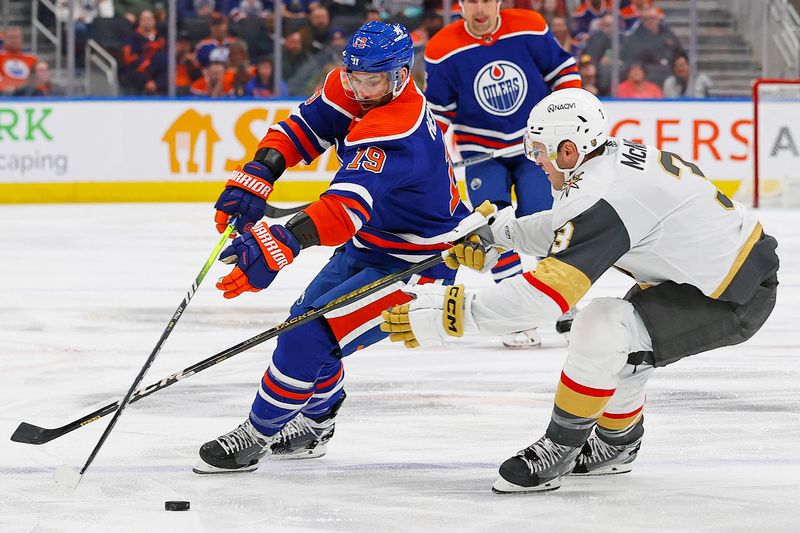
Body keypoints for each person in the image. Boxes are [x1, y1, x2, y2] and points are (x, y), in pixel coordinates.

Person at [380, 88, 779, 493]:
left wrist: (450, 314)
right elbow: (567, 227)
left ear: (569, 150)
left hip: (732, 294)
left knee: (602, 327)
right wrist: (500, 234)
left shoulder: (603, 196)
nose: (535, 161)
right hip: (717, 275)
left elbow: (544, 298)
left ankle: (561, 447)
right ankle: (617, 444)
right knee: (621, 342)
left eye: (540, 150)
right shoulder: (605, 161)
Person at [193, 21, 469, 474]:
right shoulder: (352, 87)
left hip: (420, 263)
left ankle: (256, 435)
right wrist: (260, 171)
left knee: (308, 335)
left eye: (372, 80)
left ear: (401, 76)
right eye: (353, 77)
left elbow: (343, 210)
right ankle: (316, 424)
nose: (359, 90)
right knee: (301, 327)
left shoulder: (399, 128)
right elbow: (303, 128)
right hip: (371, 244)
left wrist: (281, 239)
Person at [424, 0, 581, 348]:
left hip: (535, 147)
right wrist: (432, 153)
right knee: (491, 228)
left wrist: (566, 118)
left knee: (546, 221)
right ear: (460, 6)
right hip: (481, 151)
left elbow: (563, 71)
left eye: (486, 0)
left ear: (497, 3)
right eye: (471, 1)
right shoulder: (442, 48)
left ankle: (563, 297)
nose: (479, 9)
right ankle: (516, 314)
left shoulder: (528, 25)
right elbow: (438, 111)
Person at [0, 26, 38, 95]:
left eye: (16, 37)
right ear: (4, 39)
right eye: (11, 38)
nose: (14, 41)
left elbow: (37, 79)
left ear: (21, 39)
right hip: (4, 93)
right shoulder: (1, 56)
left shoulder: (31, 58)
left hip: (26, 92)